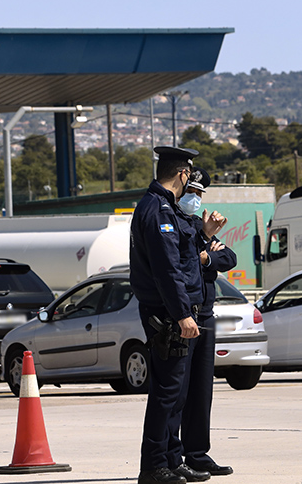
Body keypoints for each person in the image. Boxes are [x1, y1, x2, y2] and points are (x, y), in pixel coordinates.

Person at [130, 146, 226, 484]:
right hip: (167, 316)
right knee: (167, 393)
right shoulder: (157, 210)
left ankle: (172, 459)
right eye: (190, 177)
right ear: (184, 174)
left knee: (179, 393)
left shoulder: (166, 208)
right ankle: (154, 465)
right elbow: (167, 270)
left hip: (178, 313)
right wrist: (183, 313)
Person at [179, 167, 236, 477]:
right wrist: (204, 250)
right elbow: (182, 261)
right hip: (183, 316)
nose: (195, 200)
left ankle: (198, 453)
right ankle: (174, 455)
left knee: (202, 390)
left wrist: (207, 256)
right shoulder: (177, 224)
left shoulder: (198, 230)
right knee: (179, 390)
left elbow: (229, 258)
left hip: (205, 315)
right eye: (191, 193)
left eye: (200, 194)